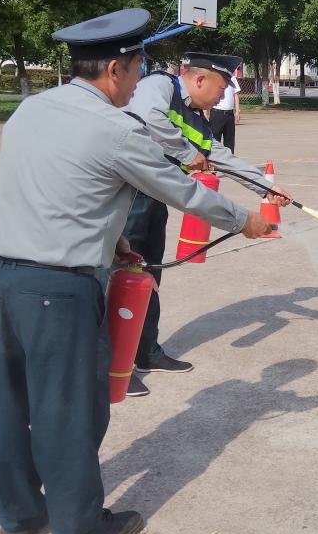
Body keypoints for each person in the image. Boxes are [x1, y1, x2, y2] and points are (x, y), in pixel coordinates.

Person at [0, 9, 272, 534]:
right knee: (69, 410)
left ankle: (17, 517)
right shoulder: (117, 129)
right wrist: (244, 219)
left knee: (7, 404)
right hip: (58, 290)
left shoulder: (30, 109)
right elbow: (181, 190)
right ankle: (78, 528)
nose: (139, 85)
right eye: (137, 71)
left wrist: (112, 241)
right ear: (115, 68)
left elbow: (56, 186)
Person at [123, 51, 290, 397]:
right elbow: (147, 116)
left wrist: (266, 187)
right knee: (121, 279)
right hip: (126, 198)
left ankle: (146, 351)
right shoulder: (161, 85)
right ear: (199, 79)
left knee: (148, 276)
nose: (223, 95)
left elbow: (220, 156)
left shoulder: (198, 120)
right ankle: (115, 365)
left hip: (154, 199)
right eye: (222, 86)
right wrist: (187, 153)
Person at [209, 68, 240, 152]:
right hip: (217, 113)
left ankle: (229, 158)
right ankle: (214, 158)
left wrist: (237, 111)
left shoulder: (232, 78)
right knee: (215, 140)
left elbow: (236, 95)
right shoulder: (215, 77)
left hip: (229, 114)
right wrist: (205, 112)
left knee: (229, 141)